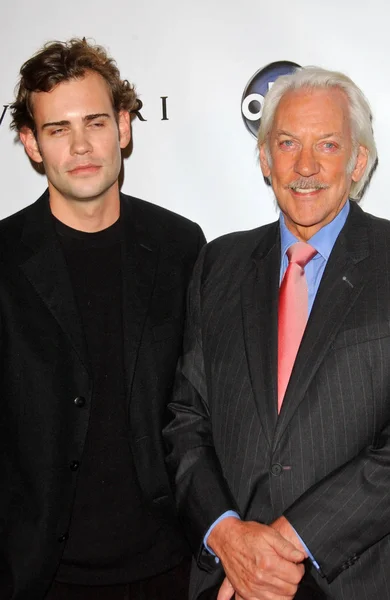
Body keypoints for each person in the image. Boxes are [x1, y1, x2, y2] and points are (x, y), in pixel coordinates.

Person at [164, 66, 390, 600]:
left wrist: (289, 540)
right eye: (287, 143)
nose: (305, 166)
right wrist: (227, 534)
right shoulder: (220, 263)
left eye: (328, 145)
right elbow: (185, 420)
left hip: (356, 580)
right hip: (230, 581)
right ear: (264, 159)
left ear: (359, 160)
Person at [1, 38, 205, 600]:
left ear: (124, 125)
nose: (82, 145)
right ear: (31, 144)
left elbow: (206, 410)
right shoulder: (4, 258)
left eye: (94, 121)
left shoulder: (181, 246)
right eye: (58, 129)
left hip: (170, 567)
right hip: (40, 577)